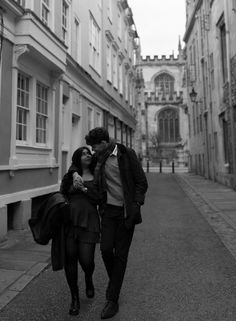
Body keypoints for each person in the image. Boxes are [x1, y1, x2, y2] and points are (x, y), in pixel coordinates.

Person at [72, 127, 148, 319]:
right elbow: (79, 162)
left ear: (104, 143)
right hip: (107, 212)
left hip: (126, 213)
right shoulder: (99, 158)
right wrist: (74, 174)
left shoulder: (125, 154)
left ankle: (111, 299)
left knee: (120, 255)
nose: (93, 150)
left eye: (95, 146)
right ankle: (116, 281)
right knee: (106, 250)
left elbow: (141, 182)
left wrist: (137, 204)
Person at [60, 146, 104, 316]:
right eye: (83, 154)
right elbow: (62, 193)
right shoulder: (71, 175)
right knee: (70, 260)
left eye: (88, 153)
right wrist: (73, 178)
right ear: (77, 158)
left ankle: (88, 277)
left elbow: (100, 198)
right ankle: (75, 298)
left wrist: (84, 188)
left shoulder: (97, 175)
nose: (87, 155)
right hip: (70, 222)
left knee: (87, 261)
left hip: (90, 221)